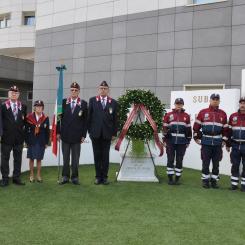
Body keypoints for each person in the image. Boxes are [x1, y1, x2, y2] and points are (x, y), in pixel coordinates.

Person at [193, 93, 228, 189]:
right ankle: (205, 181)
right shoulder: (203, 112)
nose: (215, 101)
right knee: (205, 163)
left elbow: (225, 130)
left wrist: (224, 140)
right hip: (206, 142)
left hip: (217, 142)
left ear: (219, 101)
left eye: (217, 99)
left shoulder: (223, 114)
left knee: (216, 164)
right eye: (213, 99)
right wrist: (196, 137)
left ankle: (214, 181)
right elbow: (196, 127)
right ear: (210, 100)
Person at [57, 82, 88, 185]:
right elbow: (58, 119)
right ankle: (65, 176)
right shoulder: (63, 102)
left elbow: (85, 121)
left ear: (78, 91)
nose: (73, 92)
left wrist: (84, 135)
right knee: (65, 158)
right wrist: (57, 132)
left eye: (76, 90)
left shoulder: (83, 104)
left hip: (77, 136)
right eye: (72, 90)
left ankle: (75, 177)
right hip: (65, 135)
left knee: (75, 159)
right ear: (70, 91)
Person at [88, 81, 118, 185]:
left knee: (105, 156)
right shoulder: (92, 100)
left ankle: (104, 177)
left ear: (108, 90)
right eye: (101, 88)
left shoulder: (113, 102)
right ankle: (97, 177)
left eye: (105, 88)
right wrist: (90, 132)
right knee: (97, 156)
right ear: (98, 89)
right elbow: (89, 117)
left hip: (107, 134)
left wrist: (114, 133)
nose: (103, 90)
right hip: (95, 134)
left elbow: (115, 120)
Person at [0, 85, 27, 187]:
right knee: (5, 159)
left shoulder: (23, 106)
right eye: (12, 93)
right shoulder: (3, 106)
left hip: (19, 138)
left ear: (18, 95)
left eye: (16, 93)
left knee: (18, 159)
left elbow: (24, 122)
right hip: (6, 137)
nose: (14, 94)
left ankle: (16, 178)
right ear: (9, 94)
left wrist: (24, 136)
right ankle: (5, 179)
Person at [163, 98, 192, 185]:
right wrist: (164, 139)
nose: (179, 105)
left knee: (179, 160)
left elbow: (188, 129)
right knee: (170, 159)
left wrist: (188, 141)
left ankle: (177, 178)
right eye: (177, 103)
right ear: (175, 104)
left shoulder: (186, 116)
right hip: (170, 141)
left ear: (183, 105)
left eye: (180, 103)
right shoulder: (168, 115)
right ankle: (170, 178)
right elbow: (164, 128)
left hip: (182, 142)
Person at [25, 100, 50, 183]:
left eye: (40, 106)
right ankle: (31, 175)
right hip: (31, 141)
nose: (39, 108)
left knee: (39, 159)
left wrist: (47, 142)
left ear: (43, 108)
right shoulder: (29, 117)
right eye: (37, 106)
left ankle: (38, 175)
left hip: (41, 141)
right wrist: (26, 141)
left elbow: (47, 131)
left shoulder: (45, 118)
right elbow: (26, 131)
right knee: (31, 159)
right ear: (34, 108)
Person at [226, 97, 245, 191]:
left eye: (244, 103)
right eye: (241, 103)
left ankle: (244, 186)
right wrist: (228, 144)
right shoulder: (233, 116)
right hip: (235, 145)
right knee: (235, 165)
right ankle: (234, 185)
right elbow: (229, 132)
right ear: (239, 104)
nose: (243, 105)